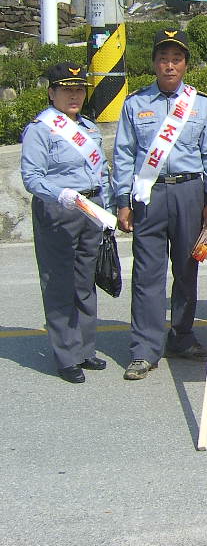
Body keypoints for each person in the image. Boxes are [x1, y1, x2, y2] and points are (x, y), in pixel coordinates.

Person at [113, 29, 207, 380]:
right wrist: (122, 201)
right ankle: (144, 348)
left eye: (176, 59)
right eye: (163, 59)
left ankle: (182, 337)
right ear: (154, 63)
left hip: (190, 192)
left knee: (188, 268)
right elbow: (124, 154)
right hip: (149, 194)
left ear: (185, 64)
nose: (169, 65)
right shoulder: (135, 104)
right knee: (147, 273)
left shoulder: (201, 104)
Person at [21, 62, 111, 383]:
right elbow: (32, 177)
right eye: (66, 90)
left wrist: (106, 210)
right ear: (51, 93)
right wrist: (60, 194)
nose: (74, 96)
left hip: (90, 209)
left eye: (79, 90)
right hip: (58, 209)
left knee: (85, 281)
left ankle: (85, 349)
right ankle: (66, 356)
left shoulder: (89, 128)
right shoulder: (41, 129)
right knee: (59, 282)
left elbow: (101, 172)